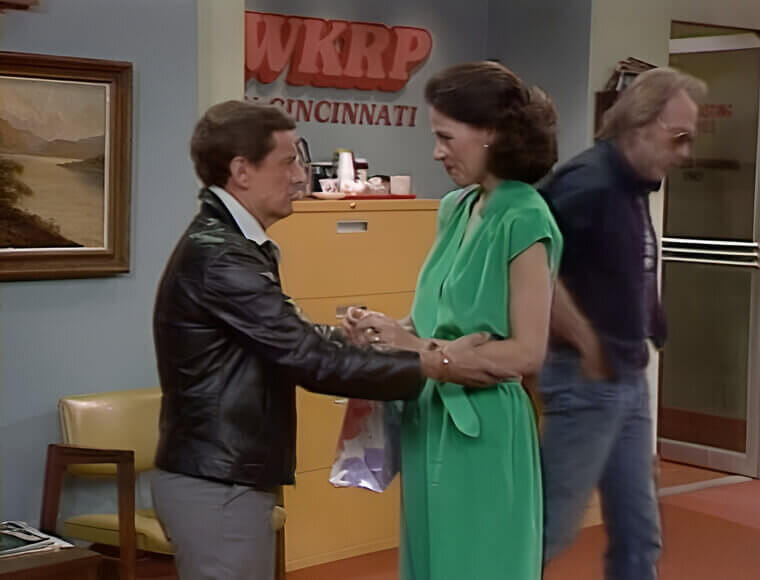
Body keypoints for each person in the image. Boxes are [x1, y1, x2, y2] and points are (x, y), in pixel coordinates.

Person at [150, 100, 489, 580]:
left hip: (223, 476)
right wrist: (434, 365)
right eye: (289, 162)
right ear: (241, 171)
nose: (301, 177)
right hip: (218, 482)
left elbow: (283, 336)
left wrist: (353, 339)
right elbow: (309, 361)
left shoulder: (232, 245)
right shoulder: (222, 258)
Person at [343, 62, 563, 580]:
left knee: (478, 565)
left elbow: (527, 351)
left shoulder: (525, 216)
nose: (437, 152)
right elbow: (434, 322)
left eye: (446, 137)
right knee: (429, 562)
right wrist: (384, 330)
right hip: (428, 417)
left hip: (484, 427)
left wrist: (423, 351)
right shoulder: (454, 208)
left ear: (493, 134)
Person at [537, 67, 706, 580]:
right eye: (678, 138)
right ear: (639, 126)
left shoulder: (634, 186)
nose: (686, 153)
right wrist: (585, 340)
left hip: (626, 380)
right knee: (546, 527)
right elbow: (527, 261)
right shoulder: (587, 183)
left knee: (639, 533)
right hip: (584, 380)